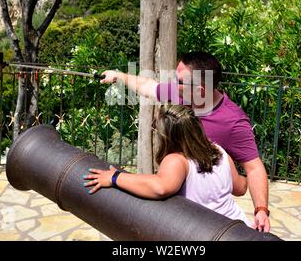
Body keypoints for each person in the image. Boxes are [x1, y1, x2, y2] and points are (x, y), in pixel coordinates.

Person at [100, 51, 271, 232]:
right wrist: (117, 76)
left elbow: (254, 168)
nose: (173, 85)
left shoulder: (233, 122)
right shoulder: (182, 94)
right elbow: (148, 86)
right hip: (183, 213)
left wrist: (261, 210)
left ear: (200, 90)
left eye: (179, 81)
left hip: (207, 224)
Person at [84, 104, 251, 226]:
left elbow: (160, 187)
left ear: (168, 137)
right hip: (238, 225)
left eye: (156, 130)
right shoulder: (218, 151)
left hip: (208, 233)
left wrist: (115, 177)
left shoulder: (177, 160)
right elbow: (240, 187)